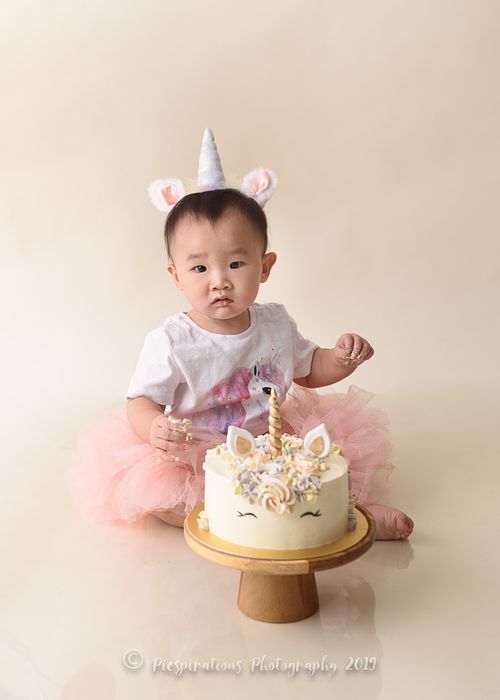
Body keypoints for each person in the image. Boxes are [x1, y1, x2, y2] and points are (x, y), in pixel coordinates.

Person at [69, 129, 413, 540]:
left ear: (265, 267)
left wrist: (339, 358)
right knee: (175, 502)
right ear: (176, 276)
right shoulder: (172, 342)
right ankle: (243, 521)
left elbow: (309, 370)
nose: (219, 281)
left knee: (323, 469)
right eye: (199, 268)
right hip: (199, 453)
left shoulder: (275, 325)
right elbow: (141, 401)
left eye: (235, 264)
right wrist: (153, 427)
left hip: (273, 444)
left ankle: (356, 515)